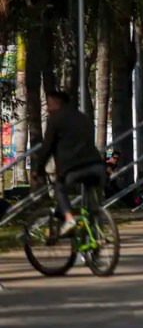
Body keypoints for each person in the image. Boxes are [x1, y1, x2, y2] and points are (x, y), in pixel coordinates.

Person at [31, 91, 106, 237]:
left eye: (49, 104)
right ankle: (97, 237)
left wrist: (38, 170)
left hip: (73, 168)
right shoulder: (83, 118)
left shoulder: (55, 120)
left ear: (58, 103)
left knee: (60, 190)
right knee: (94, 205)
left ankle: (69, 219)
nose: (48, 108)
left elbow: (47, 147)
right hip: (96, 165)